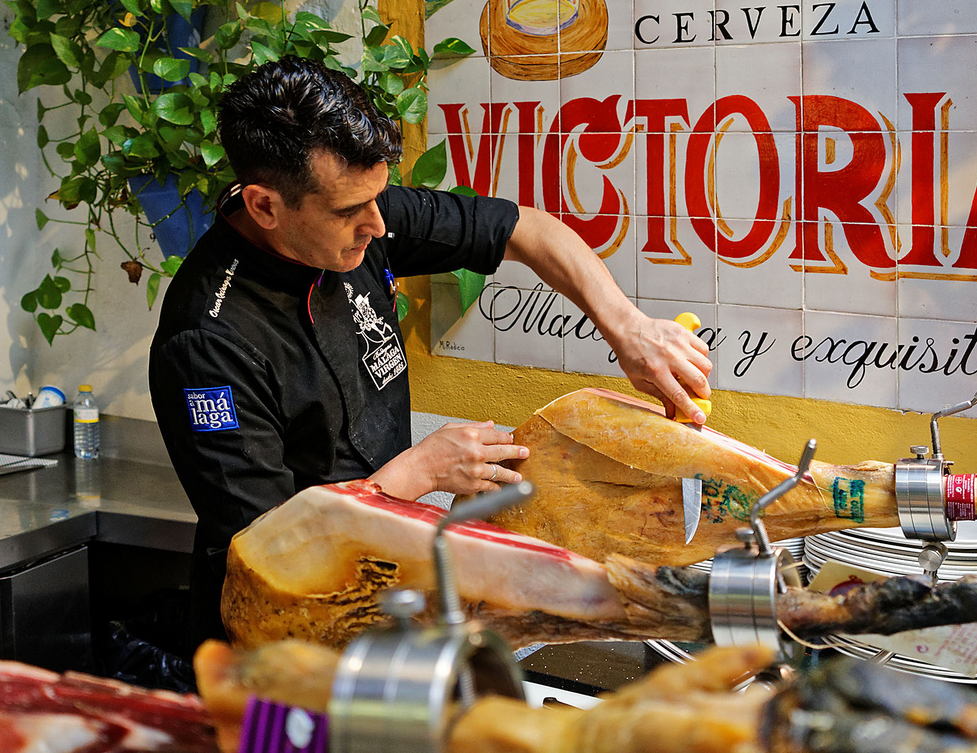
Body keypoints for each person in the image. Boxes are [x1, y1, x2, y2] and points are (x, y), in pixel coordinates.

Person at [148, 56, 711, 645]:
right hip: (282, 647)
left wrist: (626, 325)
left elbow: (525, 229)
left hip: (387, 599)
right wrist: (422, 470)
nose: (376, 225)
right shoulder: (209, 342)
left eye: (377, 199)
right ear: (265, 206)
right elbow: (270, 549)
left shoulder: (361, 216)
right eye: (349, 211)